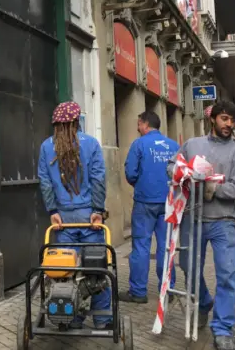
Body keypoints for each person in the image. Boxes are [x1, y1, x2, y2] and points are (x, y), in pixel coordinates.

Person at [168, 100, 235, 350]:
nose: (229, 124)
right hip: (192, 219)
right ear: (213, 119)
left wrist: (213, 188)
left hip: (223, 222)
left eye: (232, 120)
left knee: (227, 274)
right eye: (224, 118)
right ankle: (204, 303)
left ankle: (222, 329)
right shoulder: (193, 145)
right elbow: (171, 166)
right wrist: (183, 173)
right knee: (188, 268)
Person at [37, 101, 111, 330]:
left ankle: (72, 317)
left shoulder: (46, 147)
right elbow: (98, 178)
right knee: (96, 269)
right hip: (89, 217)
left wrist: (53, 212)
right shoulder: (91, 144)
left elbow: (46, 182)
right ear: (77, 121)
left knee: (66, 271)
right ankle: (102, 319)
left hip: (64, 221)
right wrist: (98, 211)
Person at [119, 111, 178, 304]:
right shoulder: (173, 146)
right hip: (169, 202)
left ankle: (138, 292)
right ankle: (168, 289)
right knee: (166, 246)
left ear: (145, 124)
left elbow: (130, 173)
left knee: (141, 246)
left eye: (138, 124)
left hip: (145, 202)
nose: (137, 128)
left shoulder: (139, 144)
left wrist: (142, 183)